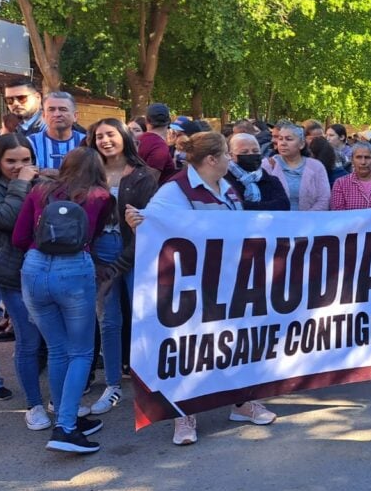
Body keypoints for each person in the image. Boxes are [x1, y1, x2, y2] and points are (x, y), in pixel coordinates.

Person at [125, 132, 278, 444]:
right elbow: (152, 225)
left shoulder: (228, 189)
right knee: (191, 349)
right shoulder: (175, 191)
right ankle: (184, 415)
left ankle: (241, 402)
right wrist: (137, 221)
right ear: (211, 159)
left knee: (236, 344)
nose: (229, 160)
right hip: (193, 286)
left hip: (229, 283)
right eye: (225, 155)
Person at [13, 147, 113, 453]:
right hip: (73, 270)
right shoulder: (100, 197)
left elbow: (18, 238)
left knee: (57, 349)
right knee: (81, 352)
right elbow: (92, 237)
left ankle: (64, 415)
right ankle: (66, 427)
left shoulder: (39, 191)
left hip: (33, 267)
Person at [84, 119, 159, 416]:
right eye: (98, 136)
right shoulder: (88, 174)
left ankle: (150, 380)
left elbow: (147, 225)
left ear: (124, 137)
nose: (104, 140)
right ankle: (113, 384)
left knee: (144, 317)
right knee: (109, 321)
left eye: (110, 134)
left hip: (135, 252)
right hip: (99, 253)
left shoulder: (144, 176)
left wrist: (120, 263)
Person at [0, 134, 43, 412]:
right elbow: (6, 217)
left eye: (26, 160)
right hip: (11, 274)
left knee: (52, 341)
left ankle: (57, 402)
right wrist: (21, 183)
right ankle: (34, 405)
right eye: (10, 161)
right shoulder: (7, 184)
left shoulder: (38, 181)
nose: (19, 166)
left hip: (44, 271)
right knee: (28, 339)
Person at [262, 121, 330, 211]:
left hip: (310, 222)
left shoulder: (316, 167)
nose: (283, 143)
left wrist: (305, 220)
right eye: (280, 139)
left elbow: (324, 199)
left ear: (301, 144)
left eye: (289, 139)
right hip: (277, 221)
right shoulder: (267, 165)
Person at [225, 133, 290, 211]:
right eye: (244, 152)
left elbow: (284, 206)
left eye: (255, 151)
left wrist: (244, 205)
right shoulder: (224, 180)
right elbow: (227, 206)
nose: (251, 154)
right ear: (231, 155)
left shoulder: (271, 180)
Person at [29, 92, 86, 172]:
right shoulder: (30, 142)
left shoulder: (86, 142)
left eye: (63, 109)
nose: (57, 114)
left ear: (75, 116)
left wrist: (49, 173)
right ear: (44, 116)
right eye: (51, 110)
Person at [330, 143, 371, 211]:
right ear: (352, 160)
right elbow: (338, 213)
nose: (363, 162)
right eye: (359, 157)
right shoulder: (340, 184)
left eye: (367, 157)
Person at [139, 103, 178, 184]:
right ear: (169, 121)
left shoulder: (138, 140)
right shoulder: (159, 147)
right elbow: (150, 183)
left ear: (146, 120)